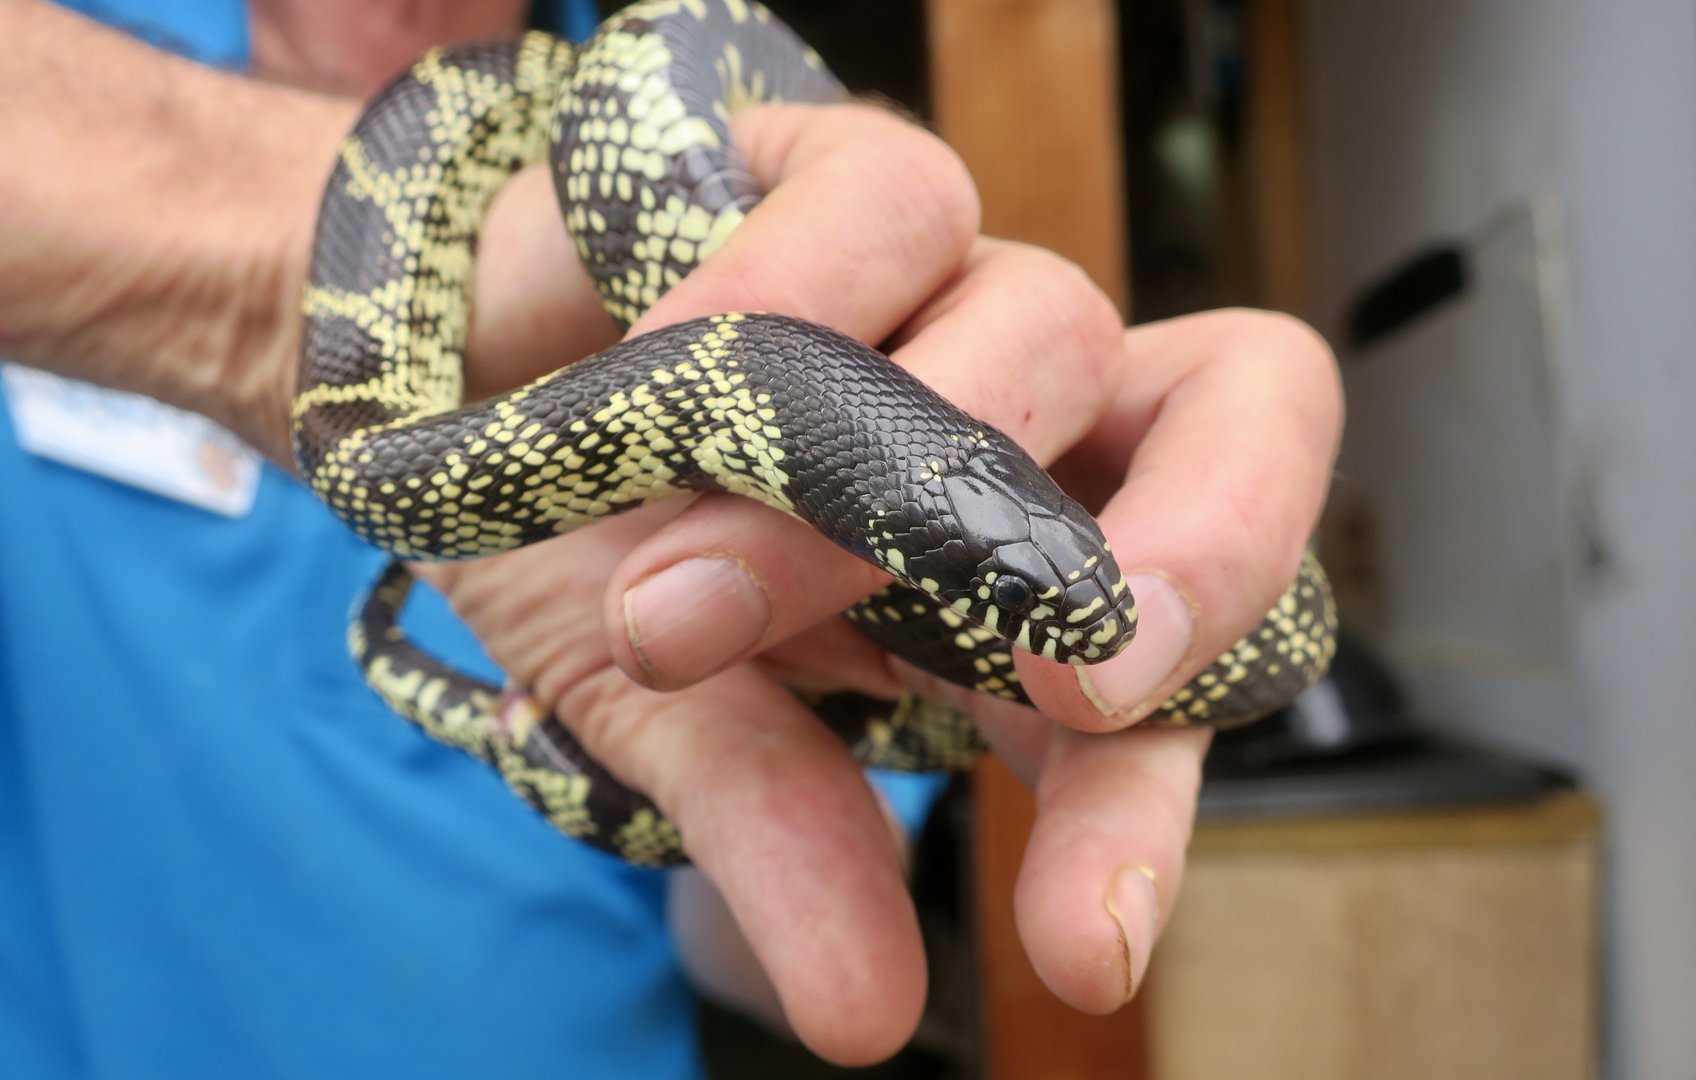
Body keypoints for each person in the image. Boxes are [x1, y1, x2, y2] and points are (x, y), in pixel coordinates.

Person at [0, 0, 1343, 1074]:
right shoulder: (74, 67)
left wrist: (768, 795)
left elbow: (761, 942)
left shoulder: (669, 88)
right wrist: (239, 256)